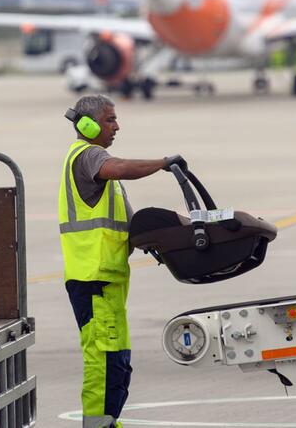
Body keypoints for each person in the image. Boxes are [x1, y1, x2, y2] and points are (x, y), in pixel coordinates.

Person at [58, 94, 185, 428]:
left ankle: (108, 421)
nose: (117, 126)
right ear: (87, 124)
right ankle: (97, 425)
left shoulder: (104, 177)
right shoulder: (89, 156)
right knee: (102, 360)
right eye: (110, 120)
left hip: (109, 282)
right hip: (93, 279)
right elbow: (121, 168)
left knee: (118, 360)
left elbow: (130, 229)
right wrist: (162, 163)